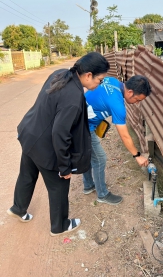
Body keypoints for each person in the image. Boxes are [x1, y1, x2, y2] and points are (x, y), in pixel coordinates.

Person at [7, 52, 110, 236]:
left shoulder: (61, 73)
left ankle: (18, 208)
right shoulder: (74, 99)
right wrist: (64, 167)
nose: (99, 84)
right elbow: (60, 134)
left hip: (29, 134)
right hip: (45, 145)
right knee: (59, 187)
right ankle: (60, 225)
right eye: (100, 80)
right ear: (88, 75)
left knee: (27, 175)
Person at [83, 75, 151, 205]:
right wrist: (137, 156)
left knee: (87, 154)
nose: (137, 103)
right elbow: (124, 135)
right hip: (83, 127)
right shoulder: (117, 104)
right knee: (99, 158)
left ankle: (88, 185)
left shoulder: (111, 80)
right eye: (137, 99)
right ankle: (102, 194)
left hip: (78, 119)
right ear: (130, 92)